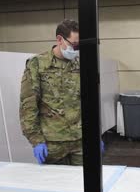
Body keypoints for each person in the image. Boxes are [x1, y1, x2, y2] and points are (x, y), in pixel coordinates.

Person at [19, 19, 104, 166]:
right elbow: (28, 105)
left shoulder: (82, 65)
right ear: (60, 39)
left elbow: (90, 103)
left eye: (80, 46)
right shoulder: (37, 65)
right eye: (75, 44)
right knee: (57, 185)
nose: (77, 49)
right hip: (52, 144)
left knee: (85, 186)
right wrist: (36, 140)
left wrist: (96, 133)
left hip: (81, 141)